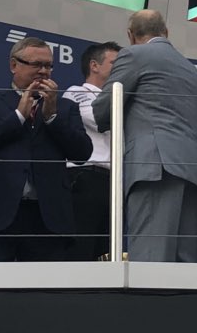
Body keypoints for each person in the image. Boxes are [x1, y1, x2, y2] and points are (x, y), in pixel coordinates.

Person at [92, 10, 197, 263]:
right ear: (166, 32)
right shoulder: (191, 69)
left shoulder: (133, 54)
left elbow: (104, 110)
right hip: (194, 171)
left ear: (130, 35)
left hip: (154, 167)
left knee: (150, 258)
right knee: (190, 266)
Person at [0, 36, 92, 261]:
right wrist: (17, 117)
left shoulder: (65, 107)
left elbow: (82, 153)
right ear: (14, 65)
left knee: (42, 284)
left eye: (48, 66)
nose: (43, 71)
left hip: (47, 219)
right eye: (36, 65)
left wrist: (52, 117)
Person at [62, 41, 120, 260]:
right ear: (94, 65)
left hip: (113, 182)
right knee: (80, 248)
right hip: (85, 177)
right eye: (115, 63)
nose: (121, 69)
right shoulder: (76, 92)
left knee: (105, 251)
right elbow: (97, 120)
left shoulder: (122, 100)